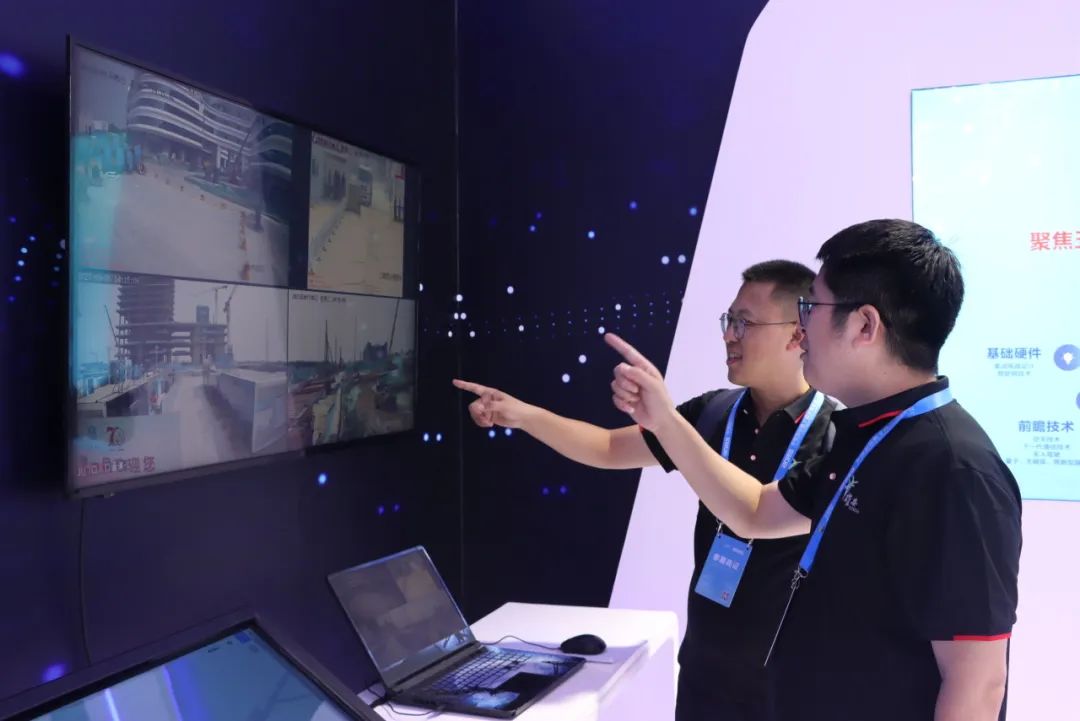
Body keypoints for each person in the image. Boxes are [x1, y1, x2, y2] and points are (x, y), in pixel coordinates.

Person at [605, 219, 1022, 721]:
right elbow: (755, 511)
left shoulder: (954, 469)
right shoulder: (867, 436)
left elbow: (978, 684)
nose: (802, 332)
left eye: (812, 308)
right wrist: (666, 422)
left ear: (865, 326)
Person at [454, 260, 840, 720]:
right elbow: (607, 447)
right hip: (705, 675)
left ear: (797, 334)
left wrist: (666, 420)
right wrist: (521, 415)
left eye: (745, 323)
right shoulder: (713, 413)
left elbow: (757, 510)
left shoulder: (837, 436)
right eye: (728, 320)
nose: (729, 335)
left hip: (790, 685)